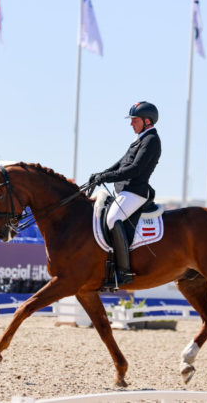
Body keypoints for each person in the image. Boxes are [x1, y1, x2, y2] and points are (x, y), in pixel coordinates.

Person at [89, 101, 161, 287]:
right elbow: (121, 164)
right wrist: (99, 174)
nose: (131, 124)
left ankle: (123, 271)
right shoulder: (139, 139)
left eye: (134, 120)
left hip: (135, 192)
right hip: (123, 190)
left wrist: (106, 176)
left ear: (147, 121)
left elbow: (135, 169)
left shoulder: (151, 140)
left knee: (112, 219)